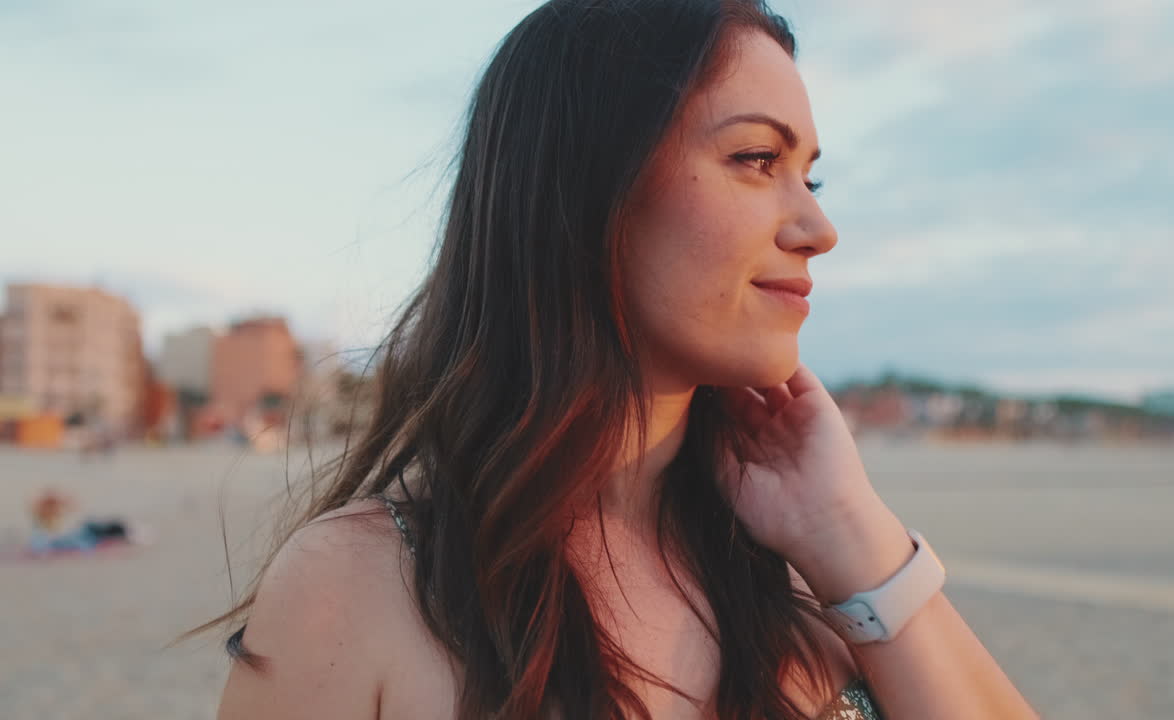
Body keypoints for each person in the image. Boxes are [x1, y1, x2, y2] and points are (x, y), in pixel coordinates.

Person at [206, 1, 1039, 718]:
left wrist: (851, 534)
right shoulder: (359, 588)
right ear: (588, 186)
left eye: (810, 179)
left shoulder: (803, 580)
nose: (818, 229)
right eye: (757, 159)